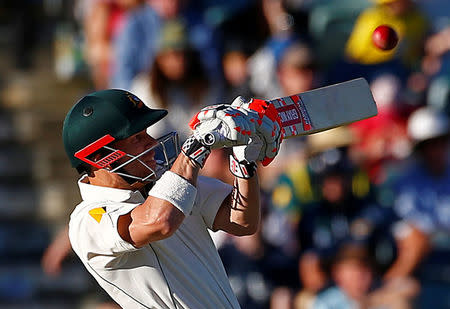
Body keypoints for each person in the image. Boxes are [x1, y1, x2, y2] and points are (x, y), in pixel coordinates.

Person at [61, 89, 282, 308]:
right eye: (138, 138)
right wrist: (197, 147)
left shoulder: (167, 181)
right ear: (101, 157)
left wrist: (244, 164)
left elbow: (242, 221)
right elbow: (159, 221)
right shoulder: (87, 220)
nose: (153, 143)